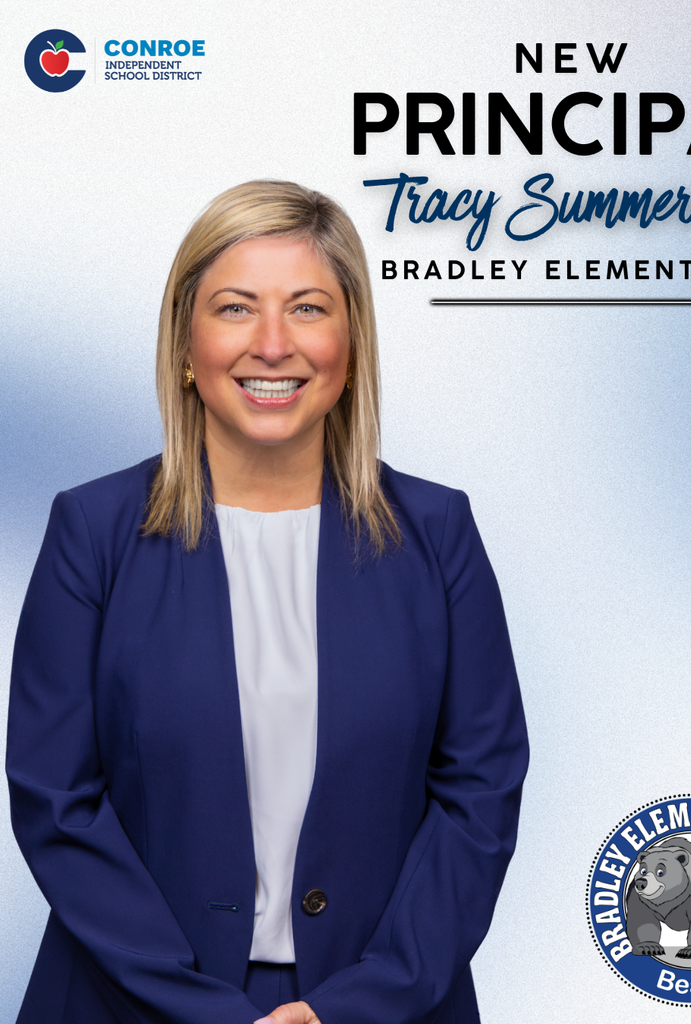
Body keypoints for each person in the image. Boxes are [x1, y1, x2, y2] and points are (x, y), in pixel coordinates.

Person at [7, 180, 528, 1024]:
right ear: (185, 344)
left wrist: (359, 1003)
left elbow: (480, 798)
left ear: (351, 344)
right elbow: (55, 800)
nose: (274, 344)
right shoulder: (91, 531)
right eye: (237, 308)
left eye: (309, 308)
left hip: (384, 1005)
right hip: (123, 1003)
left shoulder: (439, 534)